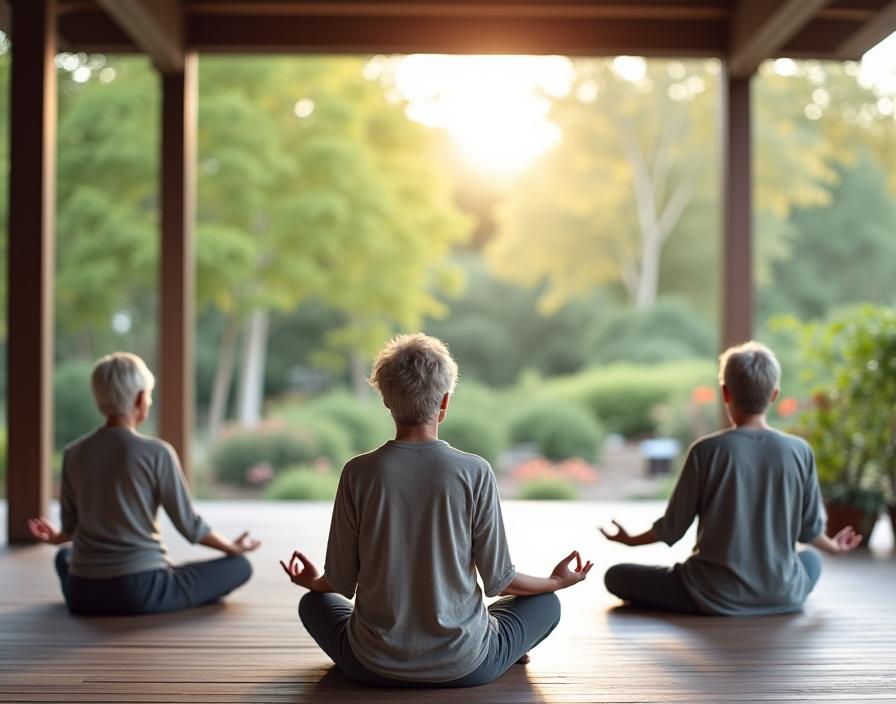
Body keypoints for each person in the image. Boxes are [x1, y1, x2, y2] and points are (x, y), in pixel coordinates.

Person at [281, 333, 593, 687]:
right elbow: (500, 582)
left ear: (386, 400)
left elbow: (338, 582)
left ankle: (414, 653)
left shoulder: (358, 472)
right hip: (466, 665)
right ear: (444, 402)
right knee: (546, 603)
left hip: (371, 666)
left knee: (313, 604)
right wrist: (556, 581)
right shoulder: (475, 471)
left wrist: (311, 581)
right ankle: (504, 650)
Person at [600, 341, 862, 616]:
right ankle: (775, 594)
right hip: (783, 593)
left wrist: (630, 540)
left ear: (725, 393)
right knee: (811, 560)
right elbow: (809, 531)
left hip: (710, 593)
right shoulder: (800, 451)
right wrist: (833, 547)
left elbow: (673, 528)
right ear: (774, 395)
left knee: (616, 576)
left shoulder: (706, 451)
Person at [28, 352, 260, 616]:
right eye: (149, 394)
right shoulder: (156, 453)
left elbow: (69, 532)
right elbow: (190, 526)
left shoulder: (73, 453)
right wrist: (231, 547)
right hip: (140, 590)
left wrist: (54, 537)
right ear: (140, 398)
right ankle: (164, 584)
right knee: (240, 566)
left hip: (83, 593)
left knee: (64, 557)